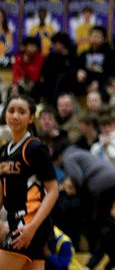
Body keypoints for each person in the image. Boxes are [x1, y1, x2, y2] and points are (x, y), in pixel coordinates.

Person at [0, 95, 60, 270]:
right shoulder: (3, 152)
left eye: (22, 112)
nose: (15, 116)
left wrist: (32, 228)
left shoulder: (35, 148)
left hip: (30, 223)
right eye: (11, 111)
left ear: (31, 118)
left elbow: (53, 191)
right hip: (15, 223)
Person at [76, 25, 115, 98]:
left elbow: (112, 74)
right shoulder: (84, 54)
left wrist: (98, 82)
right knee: (65, 77)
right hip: (85, 82)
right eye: (93, 36)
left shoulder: (109, 55)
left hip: (101, 83)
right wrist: (78, 71)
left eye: (98, 37)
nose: (95, 39)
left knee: (109, 87)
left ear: (104, 39)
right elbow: (76, 66)